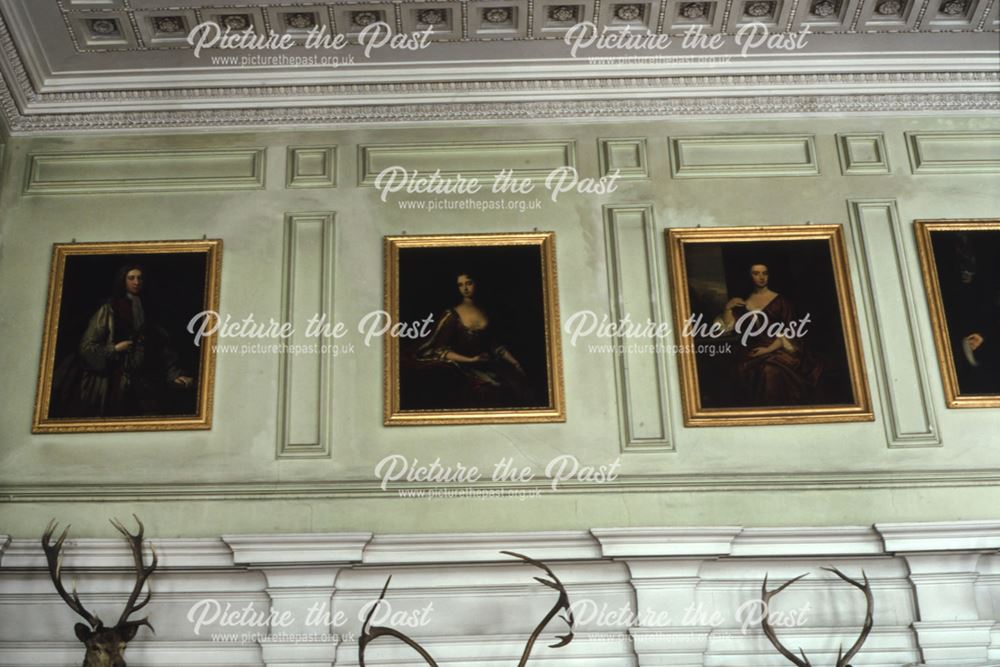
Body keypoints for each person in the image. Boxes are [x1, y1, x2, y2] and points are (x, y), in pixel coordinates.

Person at [54, 263, 194, 418]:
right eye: (131, 278)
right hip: (113, 380)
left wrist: (174, 374)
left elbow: (162, 348)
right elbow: (86, 348)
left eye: (140, 278)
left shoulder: (150, 309)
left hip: (145, 381)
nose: (136, 282)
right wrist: (114, 349)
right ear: (123, 280)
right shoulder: (109, 309)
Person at [414, 272, 530, 408]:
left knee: (516, 385)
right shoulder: (452, 314)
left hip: (488, 365)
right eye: (460, 285)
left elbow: (494, 345)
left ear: (477, 283)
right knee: (488, 391)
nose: (465, 288)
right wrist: (471, 360)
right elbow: (441, 350)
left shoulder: (487, 311)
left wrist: (514, 362)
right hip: (464, 368)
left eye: (469, 283)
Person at [716, 263, 821, 406]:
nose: (761, 277)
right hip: (752, 350)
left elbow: (789, 332)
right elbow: (727, 329)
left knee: (769, 370)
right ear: (749, 276)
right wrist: (727, 308)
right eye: (756, 273)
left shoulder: (781, 301)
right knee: (738, 370)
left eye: (764, 273)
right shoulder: (742, 304)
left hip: (780, 349)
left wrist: (768, 350)